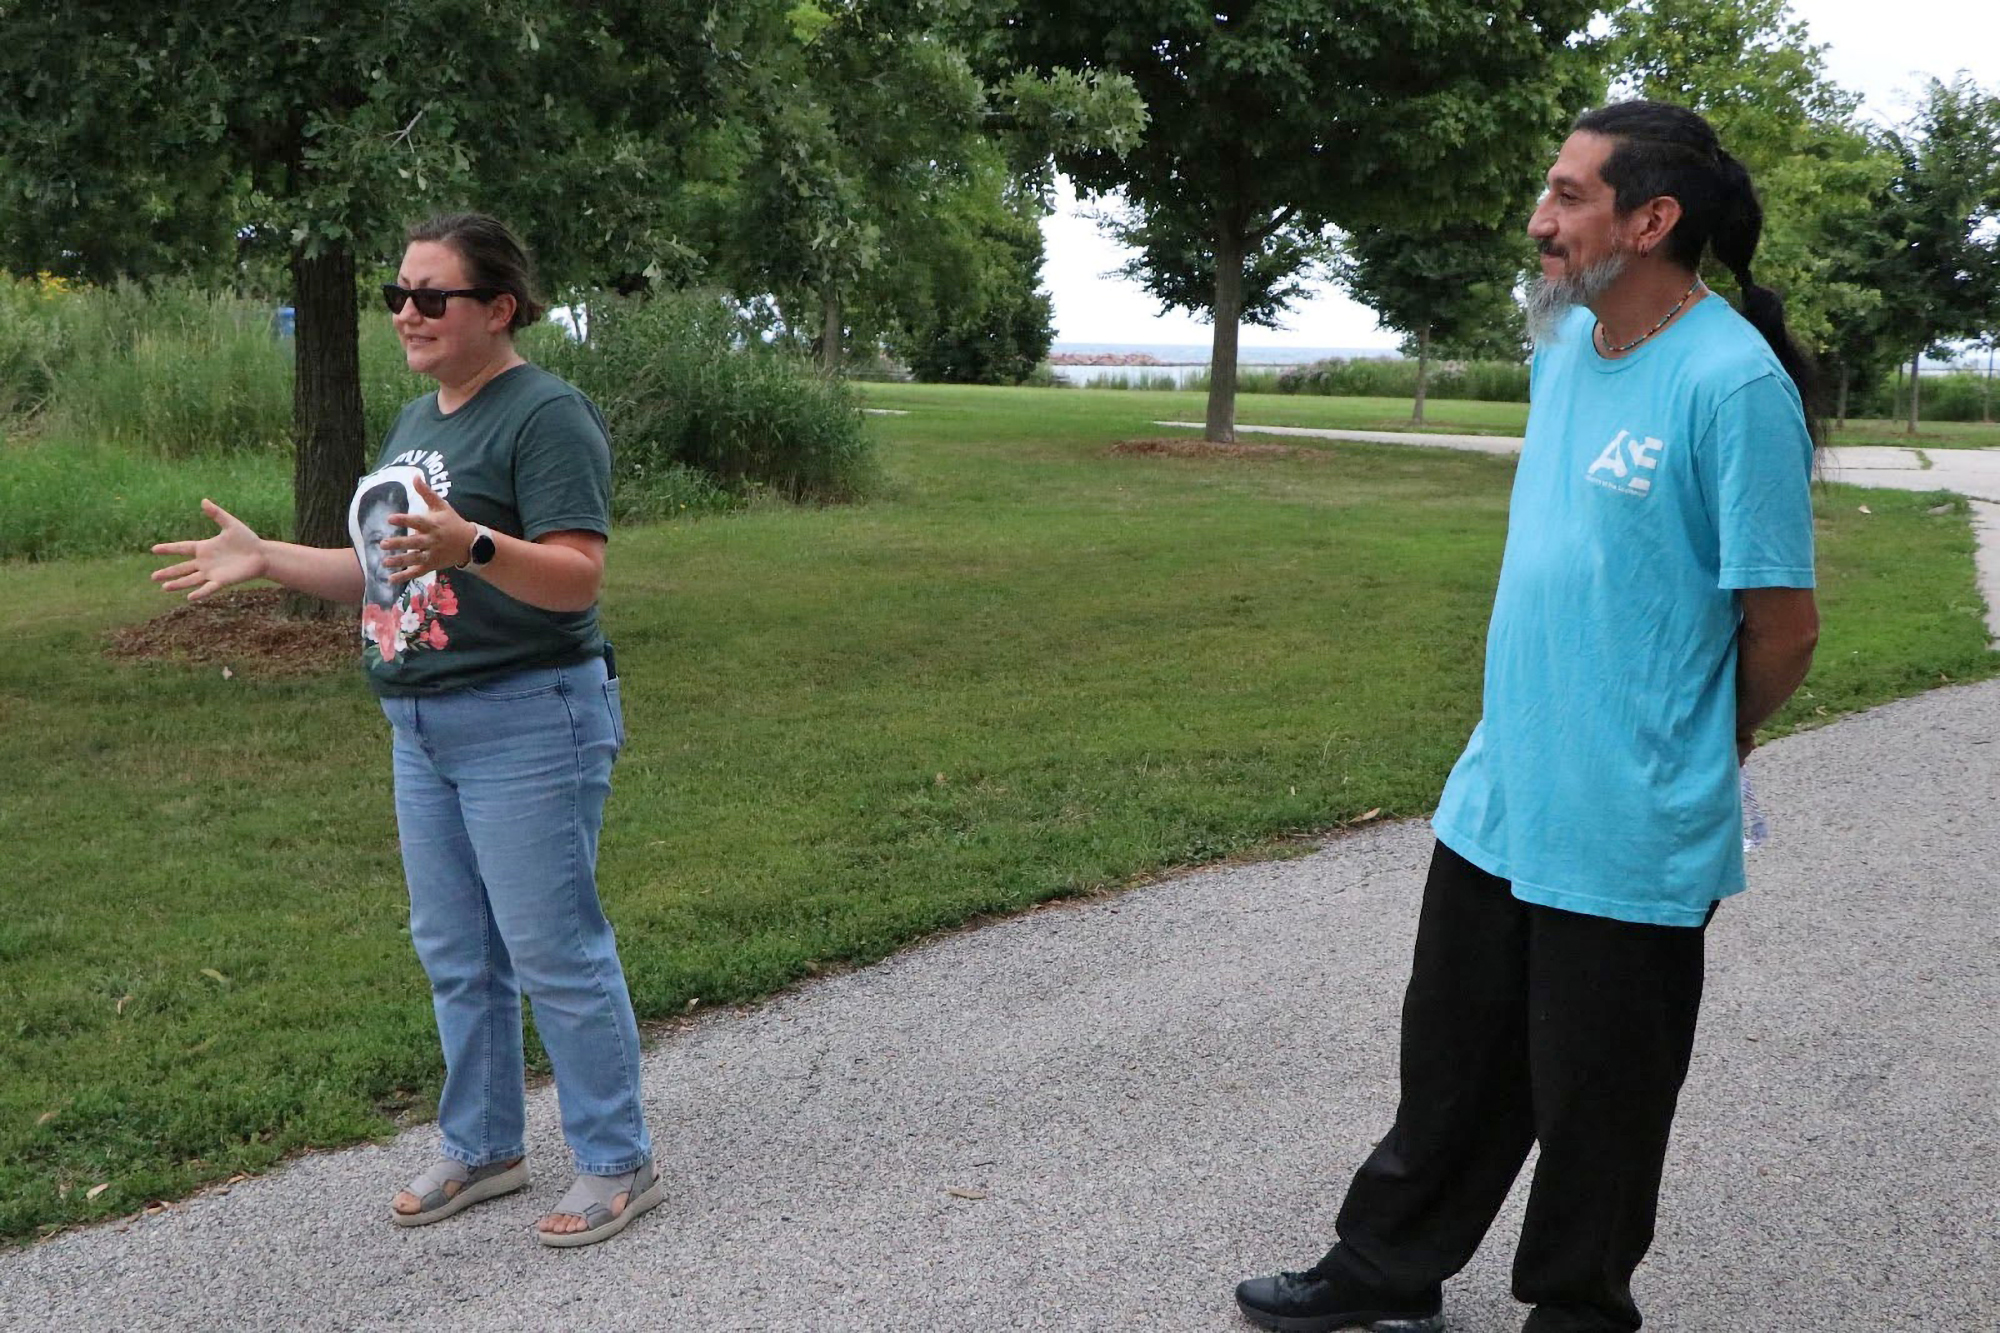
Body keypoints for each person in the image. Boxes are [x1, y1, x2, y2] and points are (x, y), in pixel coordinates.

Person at [1234, 102, 1821, 1332]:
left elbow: (1782, 628)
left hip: (1629, 813)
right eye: (1544, 192)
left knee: (1598, 1099)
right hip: (1502, 787)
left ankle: (1575, 1308)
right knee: (1450, 1066)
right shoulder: (1566, 347)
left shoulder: (1730, 384)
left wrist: (1710, 737)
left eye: (1565, 195)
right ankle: (1383, 1272)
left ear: (1649, 220)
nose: (1537, 219)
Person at [151, 213, 662, 1248]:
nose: (406, 313)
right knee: (456, 951)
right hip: (420, 722)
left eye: (432, 296)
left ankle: (616, 1159)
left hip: (529, 714)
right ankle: (484, 1146)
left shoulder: (545, 414)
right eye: (397, 294)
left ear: (497, 309)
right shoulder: (414, 420)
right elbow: (387, 568)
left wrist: (471, 542)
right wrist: (268, 558)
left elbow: (575, 576)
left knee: (552, 947)